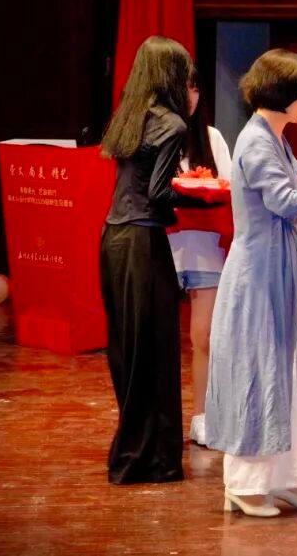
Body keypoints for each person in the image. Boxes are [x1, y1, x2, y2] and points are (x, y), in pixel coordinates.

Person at [204, 49, 297, 517]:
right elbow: (285, 203)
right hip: (258, 274)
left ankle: (285, 477)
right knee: (259, 370)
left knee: (291, 371)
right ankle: (246, 484)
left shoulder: (272, 136)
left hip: (280, 268)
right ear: (283, 94)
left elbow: (289, 195)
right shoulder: (256, 141)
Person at [99, 35, 201, 485]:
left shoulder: (129, 115)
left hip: (113, 240)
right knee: (154, 351)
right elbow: (159, 193)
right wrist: (203, 197)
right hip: (143, 242)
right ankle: (150, 458)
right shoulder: (172, 125)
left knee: (127, 350)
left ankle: (133, 451)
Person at [167, 81, 232, 447]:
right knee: (159, 341)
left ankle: (202, 415)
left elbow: (228, 187)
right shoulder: (156, 135)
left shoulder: (212, 137)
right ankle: (161, 419)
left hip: (206, 246)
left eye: (194, 88)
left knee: (204, 336)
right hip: (164, 245)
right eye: (183, 88)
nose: (189, 96)